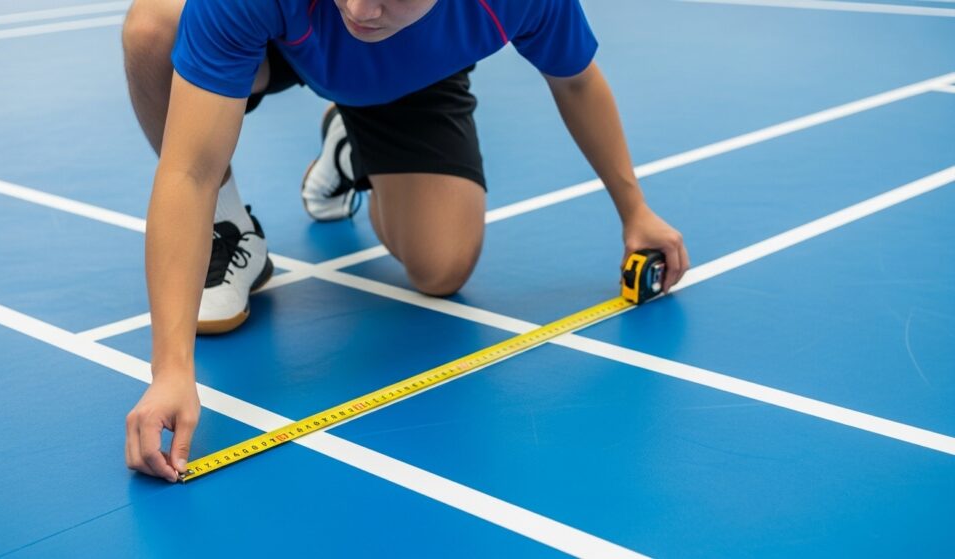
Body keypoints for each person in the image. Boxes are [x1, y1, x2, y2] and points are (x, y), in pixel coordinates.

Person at [122, 0, 691, 482]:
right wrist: (171, 369)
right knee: (153, 28)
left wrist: (635, 211)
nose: (361, 9)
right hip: (284, 42)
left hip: (416, 72)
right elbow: (189, 172)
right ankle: (230, 229)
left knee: (442, 268)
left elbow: (576, 80)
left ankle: (353, 150)